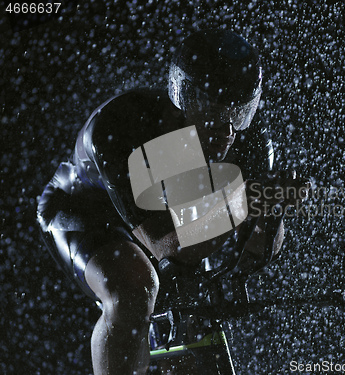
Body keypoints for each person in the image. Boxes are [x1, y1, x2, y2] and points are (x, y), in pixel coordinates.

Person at [37, 29, 309, 375]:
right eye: (212, 111)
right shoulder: (120, 128)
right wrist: (245, 203)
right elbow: (169, 244)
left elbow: (254, 252)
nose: (226, 132)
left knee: (195, 306)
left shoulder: (251, 141)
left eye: (239, 113)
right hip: (85, 209)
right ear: (184, 99)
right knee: (134, 290)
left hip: (162, 210)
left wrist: (272, 211)